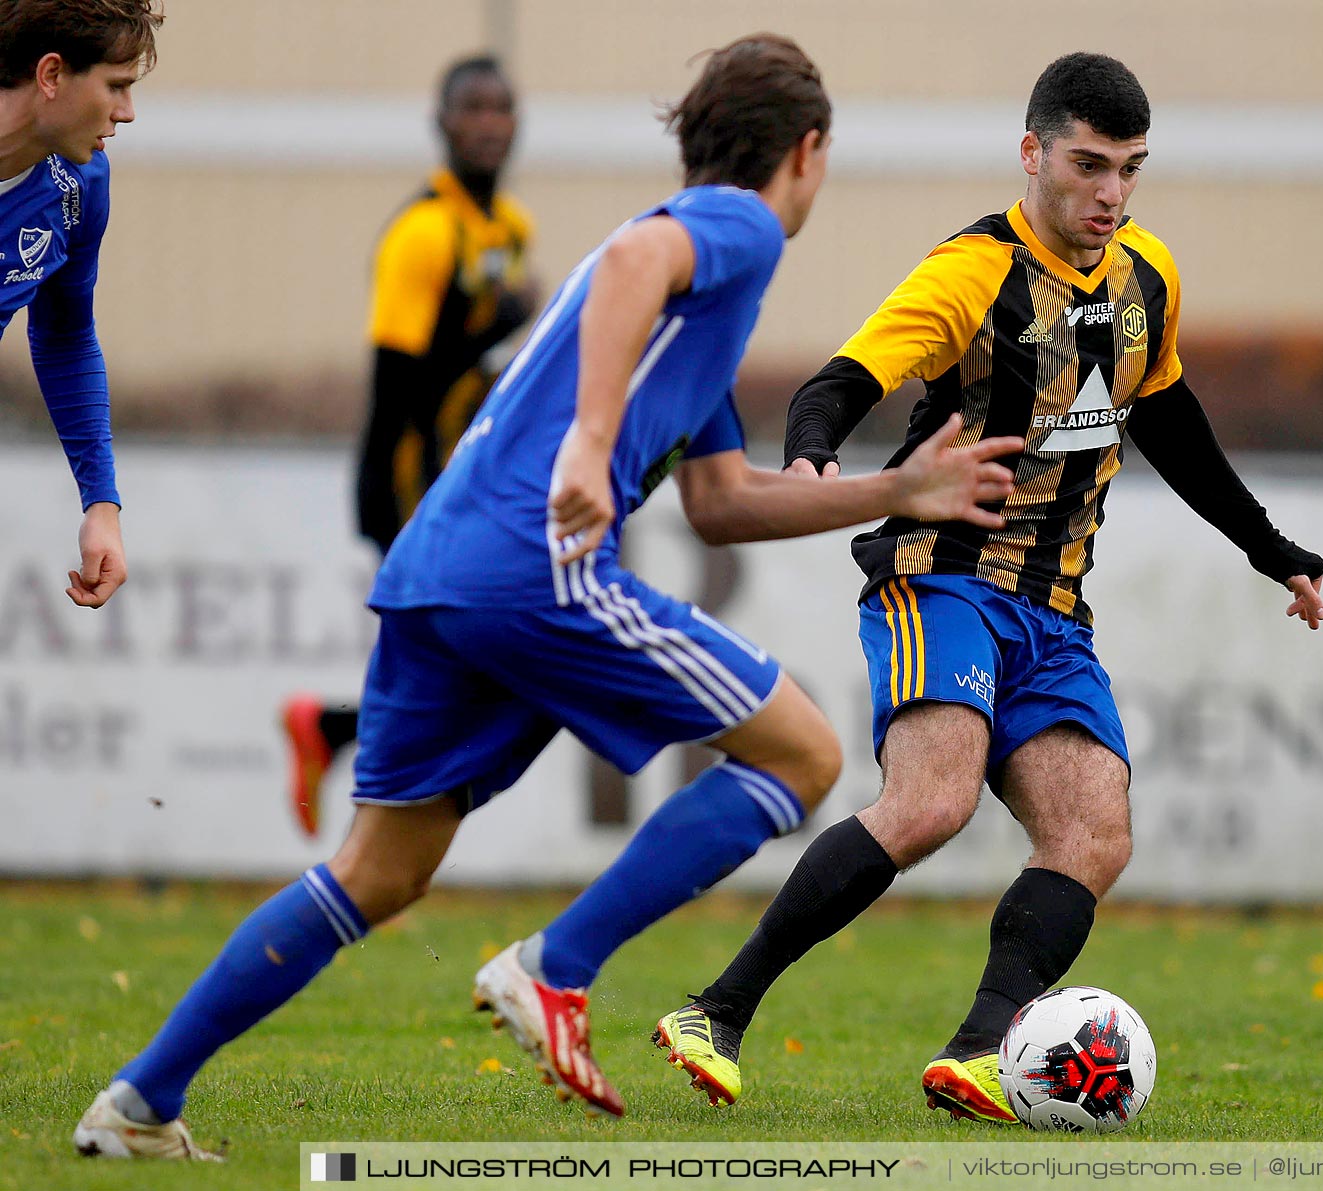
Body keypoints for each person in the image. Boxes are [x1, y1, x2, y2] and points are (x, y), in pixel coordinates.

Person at [74, 34, 1022, 1161]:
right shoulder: (735, 223)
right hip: (532, 568)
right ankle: (553, 967)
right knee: (803, 757)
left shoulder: (694, 312)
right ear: (806, 152)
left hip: (437, 572)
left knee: (377, 873)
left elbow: (720, 502)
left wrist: (898, 487)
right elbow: (635, 265)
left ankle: (138, 1104)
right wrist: (588, 441)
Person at [653, 52, 1323, 1122]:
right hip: (944, 577)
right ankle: (717, 1012)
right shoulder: (969, 274)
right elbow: (840, 381)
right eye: (1088, 165)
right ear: (1033, 154)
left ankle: (976, 1056)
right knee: (931, 804)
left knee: (1095, 834)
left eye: (1130, 171)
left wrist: (1270, 547)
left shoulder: (1147, 275)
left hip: (1054, 610)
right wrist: (818, 456)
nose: (1109, 194)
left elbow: (1171, 421)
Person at [282, 54, 537, 839]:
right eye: (474, 108)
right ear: (444, 123)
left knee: (461, 657)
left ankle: (330, 733)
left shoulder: (509, 228)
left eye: (502, 108)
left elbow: (475, 368)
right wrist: (494, 329)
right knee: (470, 650)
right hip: (407, 479)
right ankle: (364, 786)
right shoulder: (423, 235)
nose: (490, 123)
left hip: (467, 477)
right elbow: (398, 387)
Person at [0, 0, 162, 611]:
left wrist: (100, 502)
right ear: (50, 76)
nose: (126, 113)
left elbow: (64, 336)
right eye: (115, 86)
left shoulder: (79, 187)